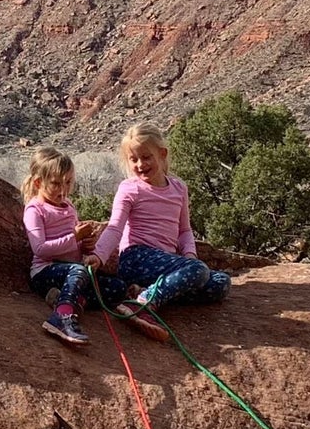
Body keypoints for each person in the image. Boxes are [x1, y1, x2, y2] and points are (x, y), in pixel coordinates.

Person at [91, 120, 230, 342]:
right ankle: (144, 301)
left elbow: (184, 230)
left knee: (220, 283)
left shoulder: (178, 188)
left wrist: (189, 256)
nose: (140, 164)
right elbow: (115, 227)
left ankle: (144, 292)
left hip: (165, 263)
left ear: (162, 154)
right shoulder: (129, 189)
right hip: (136, 258)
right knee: (199, 271)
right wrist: (99, 255)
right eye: (133, 159)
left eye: (146, 157)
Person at [22, 146, 126, 347]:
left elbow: (74, 245)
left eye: (68, 182)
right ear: (38, 182)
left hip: (73, 271)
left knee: (117, 288)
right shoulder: (35, 209)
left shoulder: (69, 207)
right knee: (77, 271)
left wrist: (85, 245)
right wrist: (73, 237)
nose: (63, 189)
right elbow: (40, 249)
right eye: (55, 184)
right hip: (45, 271)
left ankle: (68, 298)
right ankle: (62, 316)